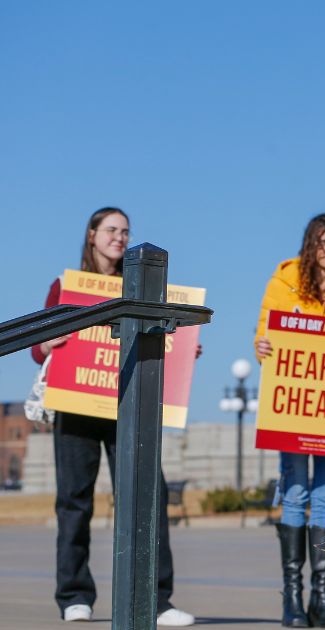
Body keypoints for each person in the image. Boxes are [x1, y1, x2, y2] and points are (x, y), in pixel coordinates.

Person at [32, 207, 194, 626]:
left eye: (125, 231)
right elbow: (38, 346)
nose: (119, 238)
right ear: (91, 235)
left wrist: (184, 351)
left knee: (147, 498)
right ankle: (73, 595)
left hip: (129, 405)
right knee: (73, 502)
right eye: (111, 230)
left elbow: (164, 335)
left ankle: (158, 600)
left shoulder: (139, 287)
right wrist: (48, 344)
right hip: (77, 405)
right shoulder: (65, 287)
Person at [254, 213, 325, 628]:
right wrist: (261, 344)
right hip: (294, 408)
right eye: (324, 242)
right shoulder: (283, 282)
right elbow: (264, 334)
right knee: (296, 491)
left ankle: (321, 598)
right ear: (310, 245)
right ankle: (292, 599)